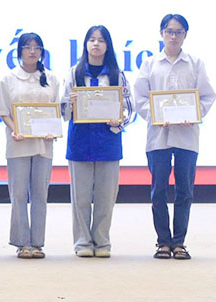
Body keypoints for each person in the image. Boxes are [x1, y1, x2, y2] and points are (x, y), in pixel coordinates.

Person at [133, 14, 215, 260]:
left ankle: (179, 242)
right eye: (169, 31)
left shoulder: (195, 63)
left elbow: (207, 96)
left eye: (178, 32)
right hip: (158, 136)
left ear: (185, 35)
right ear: (161, 33)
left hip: (187, 137)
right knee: (158, 190)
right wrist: (155, 116)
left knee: (185, 191)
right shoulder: (150, 63)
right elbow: (139, 99)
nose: (173, 36)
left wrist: (195, 113)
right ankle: (162, 242)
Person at [61, 25, 133, 258]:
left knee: (105, 196)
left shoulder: (117, 74)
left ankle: (102, 242)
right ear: (85, 44)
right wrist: (70, 104)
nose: (96, 44)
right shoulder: (74, 73)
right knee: (80, 197)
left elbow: (129, 109)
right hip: (80, 141)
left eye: (101, 40)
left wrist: (118, 122)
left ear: (107, 45)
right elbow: (62, 111)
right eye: (91, 40)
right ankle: (82, 242)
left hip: (108, 142)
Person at [0, 33, 60, 259]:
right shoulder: (9, 78)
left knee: (41, 194)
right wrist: (15, 129)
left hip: (44, 145)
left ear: (42, 51)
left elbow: (56, 110)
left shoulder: (51, 78)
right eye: (27, 47)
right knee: (19, 194)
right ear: (19, 51)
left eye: (36, 47)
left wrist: (54, 129)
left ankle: (38, 243)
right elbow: (3, 110)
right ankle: (22, 242)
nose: (32, 51)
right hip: (18, 144)